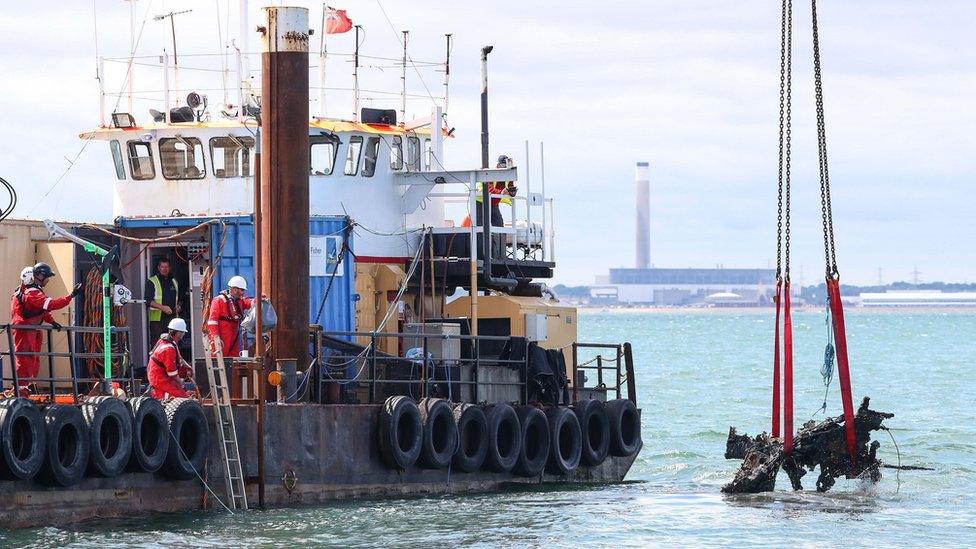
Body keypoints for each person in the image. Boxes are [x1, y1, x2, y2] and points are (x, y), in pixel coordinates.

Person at [9, 263, 83, 396]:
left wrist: (52, 322)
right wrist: (71, 296)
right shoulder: (31, 293)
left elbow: (42, 310)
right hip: (25, 330)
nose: (48, 280)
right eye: (47, 277)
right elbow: (50, 304)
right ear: (36, 277)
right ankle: (22, 390)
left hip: (32, 330)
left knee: (32, 358)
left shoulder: (32, 292)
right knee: (25, 358)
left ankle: (28, 386)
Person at [146, 317, 195, 400]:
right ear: (178, 333)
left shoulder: (167, 341)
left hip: (156, 374)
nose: (183, 335)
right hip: (159, 378)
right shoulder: (169, 348)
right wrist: (181, 382)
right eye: (183, 332)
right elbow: (172, 373)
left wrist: (188, 367)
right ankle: (158, 396)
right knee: (181, 398)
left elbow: (179, 358)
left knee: (181, 392)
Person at [207, 276, 254, 358]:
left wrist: (259, 300)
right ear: (235, 289)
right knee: (219, 360)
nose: (243, 293)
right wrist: (215, 337)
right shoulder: (219, 300)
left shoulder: (239, 301)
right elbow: (212, 321)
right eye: (242, 290)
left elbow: (248, 302)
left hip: (233, 339)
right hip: (221, 338)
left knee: (233, 362)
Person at [145, 258, 180, 347]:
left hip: (172, 318)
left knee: (172, 342)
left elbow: (178, 298)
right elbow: (148, 301)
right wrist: (162, 307)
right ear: (158, 268)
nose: (165, 269)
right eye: (162, 267)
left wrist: (179, 306)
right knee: (158, 343)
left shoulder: (174, 281)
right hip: (157, 320)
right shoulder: (152, 281)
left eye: (167, 267)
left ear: (170, 268)